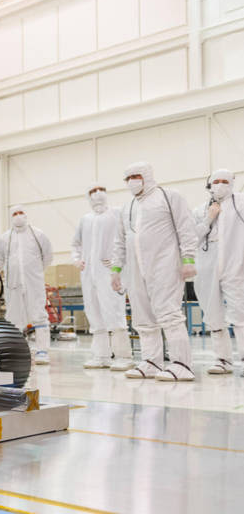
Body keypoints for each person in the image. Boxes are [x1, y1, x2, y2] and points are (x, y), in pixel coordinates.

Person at [111, 162, 198, 381]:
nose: (132, 181)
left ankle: (182, 364)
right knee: (143, 317)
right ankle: (151, 361)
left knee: (168, 313)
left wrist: (188, 259)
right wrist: (115, 269)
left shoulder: (168, 196)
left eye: (136, 175)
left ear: (148, 175)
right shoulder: (128, 206)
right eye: (128, 177)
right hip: (135, 268)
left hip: (165, 264)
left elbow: (186, 228)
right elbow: (119, 241)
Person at [72, 184, 135, 370]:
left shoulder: (117, 213)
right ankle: (101, 355)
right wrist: (77, 260)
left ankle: (124, 356)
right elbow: (75, 244)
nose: (97, 194)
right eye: (92, 191)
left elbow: (126, 238)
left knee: (114, 312)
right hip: (88, 273)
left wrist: (118, 262)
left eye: (100, 190)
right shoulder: (85, 219)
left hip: (110, 272)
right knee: (94, 313)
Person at [193, 168, 244, 375]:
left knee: (240, 312)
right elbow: (191, 237)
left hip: (235, 263)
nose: (220, 185)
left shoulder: (240, 203)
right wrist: (208, 219)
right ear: (209, 185)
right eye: (216, 181)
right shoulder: (199, 210)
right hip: (207, 265)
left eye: (225, 181)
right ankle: (222, 359)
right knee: (212, 312)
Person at [0, 205, 54, 365]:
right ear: (11, 217)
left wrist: (35, 272)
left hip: (33, 282)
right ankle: (18, 351)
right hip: (13, 284)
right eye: (15, 213)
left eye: (21, 213)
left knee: (38, 314)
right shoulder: (4, 238)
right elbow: (0, 259)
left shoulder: (38, 234)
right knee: (14, 317)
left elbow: (47, 256)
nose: (18, 216)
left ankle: (42, 350)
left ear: (26, 215)